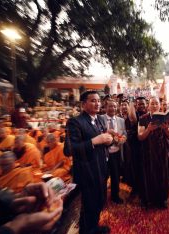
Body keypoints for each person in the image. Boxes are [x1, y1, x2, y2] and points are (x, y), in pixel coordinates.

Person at [64, 90, 113, 234]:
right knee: (89, 204)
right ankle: (87, 230)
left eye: (98, 100)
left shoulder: (100, 120)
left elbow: (104, 142)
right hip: (87, 171)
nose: (97, 103)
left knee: (99, 201)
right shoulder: (75, 122)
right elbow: (70, 149)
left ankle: (93, 227)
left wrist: (109, 140)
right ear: (83, 104)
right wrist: (94, 141)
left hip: (101, 169)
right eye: (93, 100)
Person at [138, 96, 169, 208]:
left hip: (161, 152)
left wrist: (166, 129)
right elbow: (140, 137)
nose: (154, 106)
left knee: (162, 174)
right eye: (152, 103)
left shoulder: (165, 118)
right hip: (147, 151)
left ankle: (162, 199)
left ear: (160, 105)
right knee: (147, 174)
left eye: (156, 103)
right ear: (148, 105)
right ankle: (146, 199)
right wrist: (148, 129)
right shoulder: (143, 118)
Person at [102, 99, 127, 204]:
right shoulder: (100, 118)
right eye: (110, 106)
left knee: (115, 176)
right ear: (105, 107)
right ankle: (102, 198)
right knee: (103, 176)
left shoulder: (121, 120)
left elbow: (124, 133)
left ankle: (115, 196)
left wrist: (122, 139)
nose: (112, 108)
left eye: (114, 106)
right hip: (103, 153)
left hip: (116, 152)